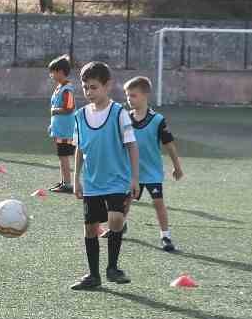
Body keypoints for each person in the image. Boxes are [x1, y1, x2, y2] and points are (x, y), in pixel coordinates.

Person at [70, 62, 138, 289]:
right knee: (90, 228)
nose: (89, 92)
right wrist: (76, 177)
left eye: (94, 87)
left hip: (117, 179)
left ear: (107, 86)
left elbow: (132, 146)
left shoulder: (119, 113)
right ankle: (93, 275)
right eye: (86, 88)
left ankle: (112, 268)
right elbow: (79, 148)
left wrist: (134, 178)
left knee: (116, 219)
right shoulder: (80, 116)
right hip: (92, 181)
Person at [123, 75, 184, 252]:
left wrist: (177, 166)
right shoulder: (125, 118)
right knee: (126, 201)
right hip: (132, 171)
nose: (129, 99)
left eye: (133, 95)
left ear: (145, 95)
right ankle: (120, 226)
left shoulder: (157, 120)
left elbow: (169, 145)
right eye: (127, 96)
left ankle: (166, 235)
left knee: (158, 203)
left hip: (151, 172)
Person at [46, 55, 79, 194]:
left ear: (60, 72)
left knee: (64, 155)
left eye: (52, 71)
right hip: (60, 128)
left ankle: (67, 184)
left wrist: (54, 110)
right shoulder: (60, 87)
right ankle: (64, 181)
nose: (51, 75)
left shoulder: (67, 89)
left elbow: (69, 108)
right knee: (62, 155)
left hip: (66, 130)